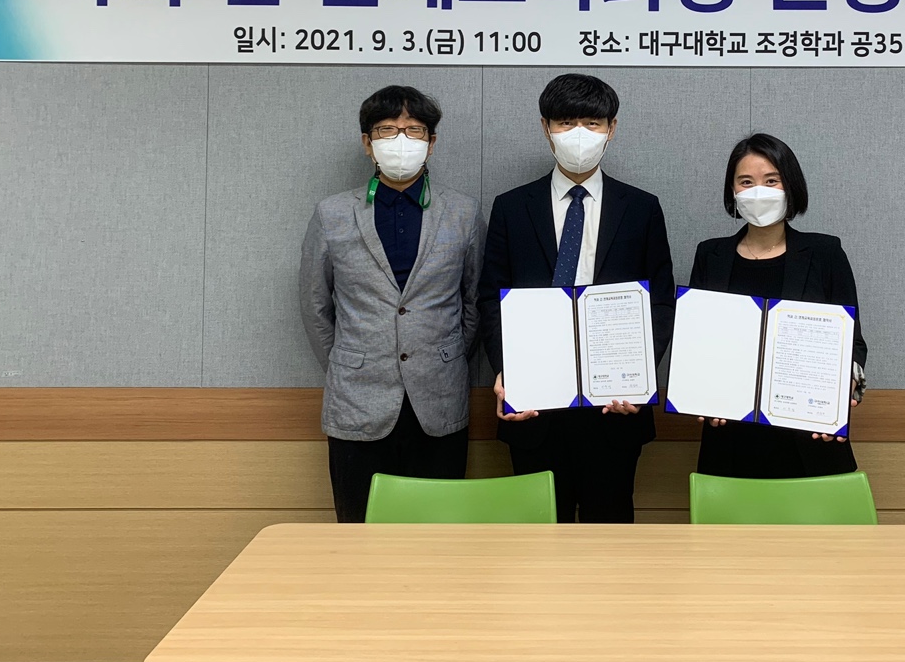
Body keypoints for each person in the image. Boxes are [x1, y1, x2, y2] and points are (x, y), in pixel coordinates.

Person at [479, 73, 676, 523]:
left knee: (609, 537)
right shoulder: (511, 207)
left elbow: (661, 301)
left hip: (615, 409)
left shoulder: (641, 208)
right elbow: (490, 299)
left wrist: (640, 376)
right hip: (534, 406)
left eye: (592, 122)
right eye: (566, 123)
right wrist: (507, 370)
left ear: (612, 128)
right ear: (545, 127)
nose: (579, 134)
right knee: (537, 536)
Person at [299, 85, 484, 523]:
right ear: (368, 143)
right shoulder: (332, 213)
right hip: (358, 399)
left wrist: (446, 356)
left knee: (438, 534)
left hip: (438, 399)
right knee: (359, 530)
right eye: (387, 130)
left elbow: (474, 300)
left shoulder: (464, 212)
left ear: (431, 143)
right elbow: (315, 304)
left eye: (414, 130)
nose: (401, 140)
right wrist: (350, 359)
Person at [692, 132, 868, 479]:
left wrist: (844, 387)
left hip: (810, 433)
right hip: (730, 435)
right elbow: (698, 342)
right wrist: (700, 392)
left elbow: (853, 342)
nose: (759, 191)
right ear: (732, 191)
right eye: (746, 182)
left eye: (771, 180)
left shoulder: (825, 253)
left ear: (791, 185)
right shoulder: (711, 255)